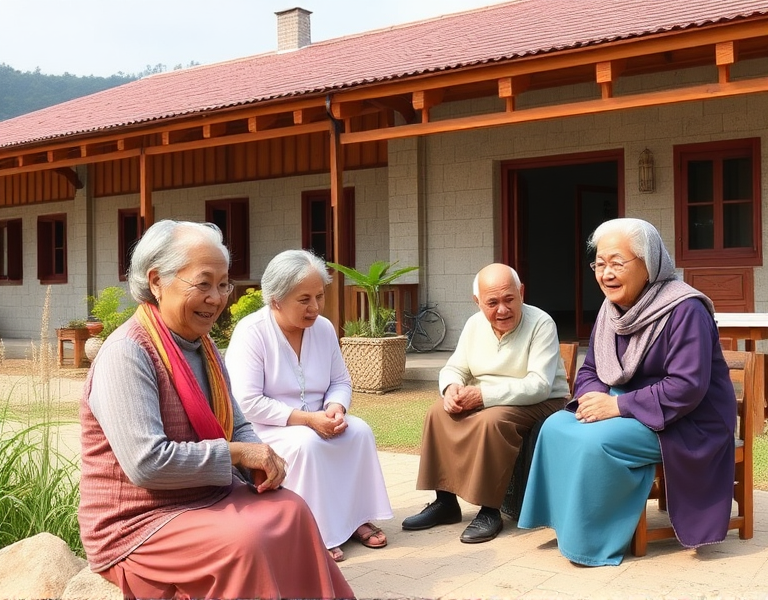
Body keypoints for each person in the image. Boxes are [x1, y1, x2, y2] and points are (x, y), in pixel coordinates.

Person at [78, 220, 354, 600]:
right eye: (203, 283)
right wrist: (239, 453)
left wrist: (261, 457)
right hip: (139, 520)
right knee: (246, 542)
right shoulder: (128, 352)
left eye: (223, 284)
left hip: (203, 496)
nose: (217, 297)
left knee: (293, 511)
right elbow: (146, 462)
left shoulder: (203, 346)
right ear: (157, 280)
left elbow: (237, 423)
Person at [518, 217, 737, 566]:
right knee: (555, 427)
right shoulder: (612, 310)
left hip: (687, 421)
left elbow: (687, 387)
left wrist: (617, 407)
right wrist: (594, 402)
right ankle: (566, 523)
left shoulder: (685, 309)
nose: (606, 273)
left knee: (595, 442)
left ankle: (591, 543)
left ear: (649, 264)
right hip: (632, 409)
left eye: (617, 263)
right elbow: (592, 369)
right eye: (599, 264)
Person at [225, 249, 393, 563]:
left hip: (319, 420)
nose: (315, 307)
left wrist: (336, 409)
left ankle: (354, 518)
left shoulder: (325, 329)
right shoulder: (252, 332)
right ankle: (312, 529)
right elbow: (246, 402)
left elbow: (341, 381)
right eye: (304, 299)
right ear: (275, 300)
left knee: (359, 432)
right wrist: (307, 420)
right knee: (306, 444)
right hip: (269, 427)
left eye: (320, 296)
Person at [402, 263, 570, 543]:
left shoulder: (541, 323)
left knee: (493, 421)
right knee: (438, 412)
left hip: (540, 401)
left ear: (521, 292)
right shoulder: (474, 325)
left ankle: (490, 510)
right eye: (492, 303)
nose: (502, 310)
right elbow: (455, 367)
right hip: (493, 399)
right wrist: (451, 387)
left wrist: (482, 396)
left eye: (509, 299)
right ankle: (445, 502)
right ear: (477, 302)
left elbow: (539, 385)